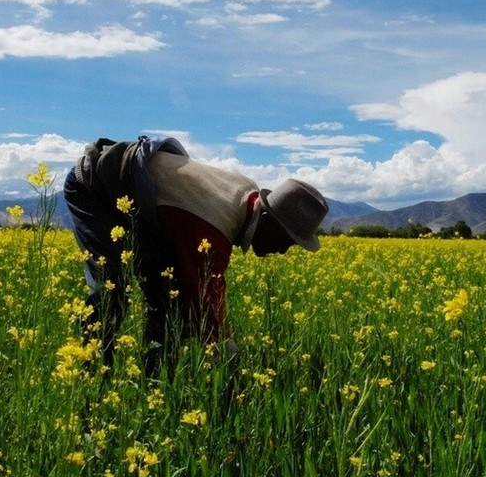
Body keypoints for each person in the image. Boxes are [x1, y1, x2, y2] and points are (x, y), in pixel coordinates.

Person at [64, 135, 328, 378]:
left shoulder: (247, 193)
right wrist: (230, 362)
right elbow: (204, 297)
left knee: (169, 296)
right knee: (111, 288)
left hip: (144, 207)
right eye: (286, 241)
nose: (283, 250)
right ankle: (90, 374)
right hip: (93, 189)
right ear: (269, 220)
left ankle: (154, 379)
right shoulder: (215, 222)